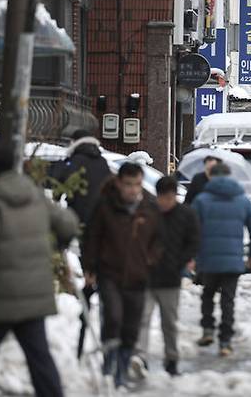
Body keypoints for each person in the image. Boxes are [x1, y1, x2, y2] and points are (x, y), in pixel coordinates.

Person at [0, 139, 79, 397]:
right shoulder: (33, 193)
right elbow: (68, 222)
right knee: (40, 360)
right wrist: (59, 243)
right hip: (33, 296)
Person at [82, 162, 162, 388]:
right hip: (110, 273)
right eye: (128, 185)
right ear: (119, 183)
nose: (133, 190)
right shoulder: (105, 206)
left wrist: (152, 261)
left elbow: (159, 240)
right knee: (114, 317)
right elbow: (91, 237)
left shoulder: (148, 207)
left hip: (139, 275)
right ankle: (110, 365)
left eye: (137, 184)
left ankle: (123, 370)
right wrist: (89, 267)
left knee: (131, 328)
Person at [52, 129, 112, 360]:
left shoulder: (74, 162)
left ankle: (84, 295)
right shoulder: (104, 163)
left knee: (84, 264)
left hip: (77, 223)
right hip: (102, 226)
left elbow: (58, 186)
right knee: (95, 269)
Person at [192, 163, 251, 357]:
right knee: (228, 300)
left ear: (212, 177)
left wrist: (192, 255)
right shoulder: (242, 201)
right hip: (233, 261)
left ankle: (207, 329)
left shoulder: (201, 200)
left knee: (207, 294)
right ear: (229, 176)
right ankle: (225, 341)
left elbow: (191, 230)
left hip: (208, 260)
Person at [134, 177, 200, 377]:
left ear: (175, 196)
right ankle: (140, 358)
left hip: (171, 278)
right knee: (143, 318)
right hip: (146, 276)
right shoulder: (148, 213)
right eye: (163, 197)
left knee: (169, 322)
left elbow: (194, 241)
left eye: (170, 198)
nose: (166, 202)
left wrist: (181, 262)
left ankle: (171, 359)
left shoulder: (186, 214)